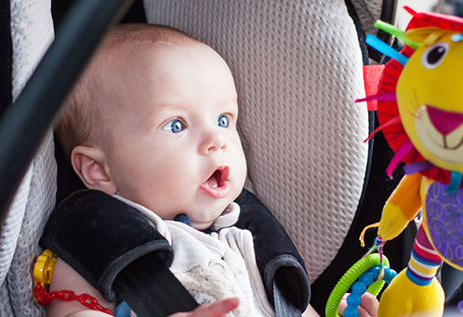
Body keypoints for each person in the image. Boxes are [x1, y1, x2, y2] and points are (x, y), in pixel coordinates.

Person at [42, 23, 378, 317]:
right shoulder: (97, 240)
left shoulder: (249, 238)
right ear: (99, 170)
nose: (217, 140)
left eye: (223, 120)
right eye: (176, 125)